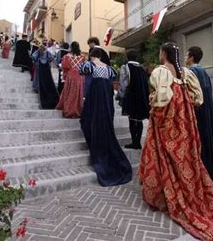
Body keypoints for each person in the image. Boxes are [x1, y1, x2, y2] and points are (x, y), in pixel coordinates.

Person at [139, 42, 213, 241]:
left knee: (165, 156)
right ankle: (187, 189)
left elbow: (161, 100)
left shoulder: (161, 72)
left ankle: (167, 195)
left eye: (159, 51)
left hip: (168, 123)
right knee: (184, 159)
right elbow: (197, 99)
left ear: (163, 53)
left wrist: (153, 99)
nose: (159, 54)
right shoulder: (185, 74)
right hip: (185, 125)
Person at [79, 47, 132, 186]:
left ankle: (95, 143)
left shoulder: (90, 65)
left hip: (94, 99)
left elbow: (81, 70)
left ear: (91, 55)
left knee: (87, 120)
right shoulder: (109, 68)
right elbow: (113, 77)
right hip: (106, 101)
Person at [186, 46, 213, 184]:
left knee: (201, 142)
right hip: (208, 111)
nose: (185, 58)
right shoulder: (203, 71)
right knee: (209, 140)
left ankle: (203, 176)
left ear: (191, 57)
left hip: (199, 113)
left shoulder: (191, 72)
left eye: (187, 55)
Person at [116, 49, 150, 150]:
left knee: (131, 119)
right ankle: (138, 142)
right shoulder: (142, 68)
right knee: (139, 120)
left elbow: (123, 83)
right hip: (141, 97)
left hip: (131, 97)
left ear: (127, 57)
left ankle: (134, 142)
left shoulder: (126, 67)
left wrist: (120, 96)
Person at [56, 42, 86, 118]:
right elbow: (85, 67)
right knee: (77, 94)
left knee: (69, 93)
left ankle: (68, 110)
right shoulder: (83, 57)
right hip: (79, 76)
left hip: (71, 76)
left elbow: (64, 66)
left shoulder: (67, 56)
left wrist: (65, 76)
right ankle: (77, 110)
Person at [32, 45, 59, 109]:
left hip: (39, 67)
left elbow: (33, 57)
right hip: (46, 68)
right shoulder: (47, 53)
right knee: (46, 79)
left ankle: (37, 88)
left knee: (37, 78)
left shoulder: (38, 52)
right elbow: (52, 58)